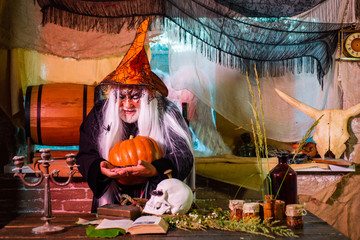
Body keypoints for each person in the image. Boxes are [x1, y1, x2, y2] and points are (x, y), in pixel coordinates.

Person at [76, 18, 194, 213]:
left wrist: (156, 169)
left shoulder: (167, 112)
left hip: (158, 198)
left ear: (148, 95)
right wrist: (100, 168)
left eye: (136, 96)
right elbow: (85, 154)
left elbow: (183, 155)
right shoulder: (99, 113)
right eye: (121, 96)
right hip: (110, 197)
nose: (128, 103)